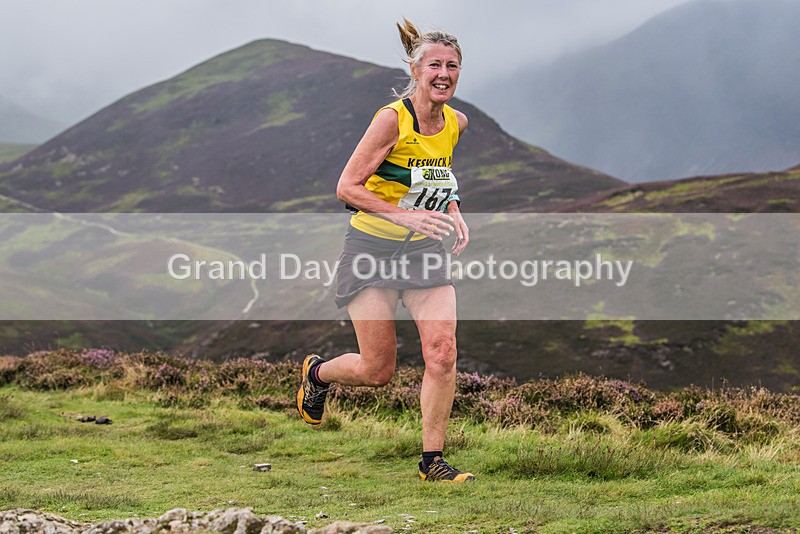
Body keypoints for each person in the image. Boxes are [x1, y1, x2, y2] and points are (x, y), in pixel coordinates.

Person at [297, 18, 473, 482]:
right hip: (372, 249)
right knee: (378, 371)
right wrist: (403, 216)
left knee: (442, 352)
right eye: (434, 64)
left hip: (425, 251)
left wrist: (453, 209)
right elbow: (346, 187)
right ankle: (318, 376)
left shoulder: (456, 121)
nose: (444, 74)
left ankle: (432, 462)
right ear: (416, 71)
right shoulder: (392, 119)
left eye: (452, 66)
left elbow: (438, 173)